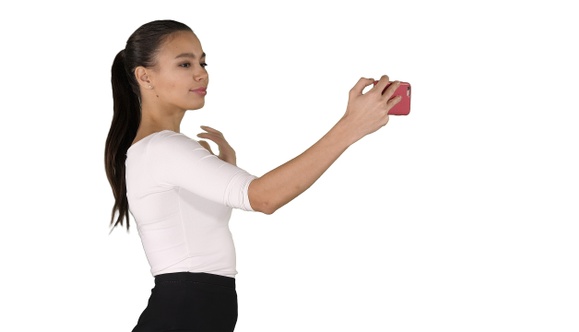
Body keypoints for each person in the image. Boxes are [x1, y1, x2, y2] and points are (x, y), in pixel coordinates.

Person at [105, 19, 403, 332]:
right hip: (184, 312)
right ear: (144, 76)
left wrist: (223, 171)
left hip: (192, 310)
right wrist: (350, 127)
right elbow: (263, 197)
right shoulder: (163, 147)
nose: (201, 73)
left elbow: (195, 231)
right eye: (184, 63)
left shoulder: (159, 149)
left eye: (203, 62)